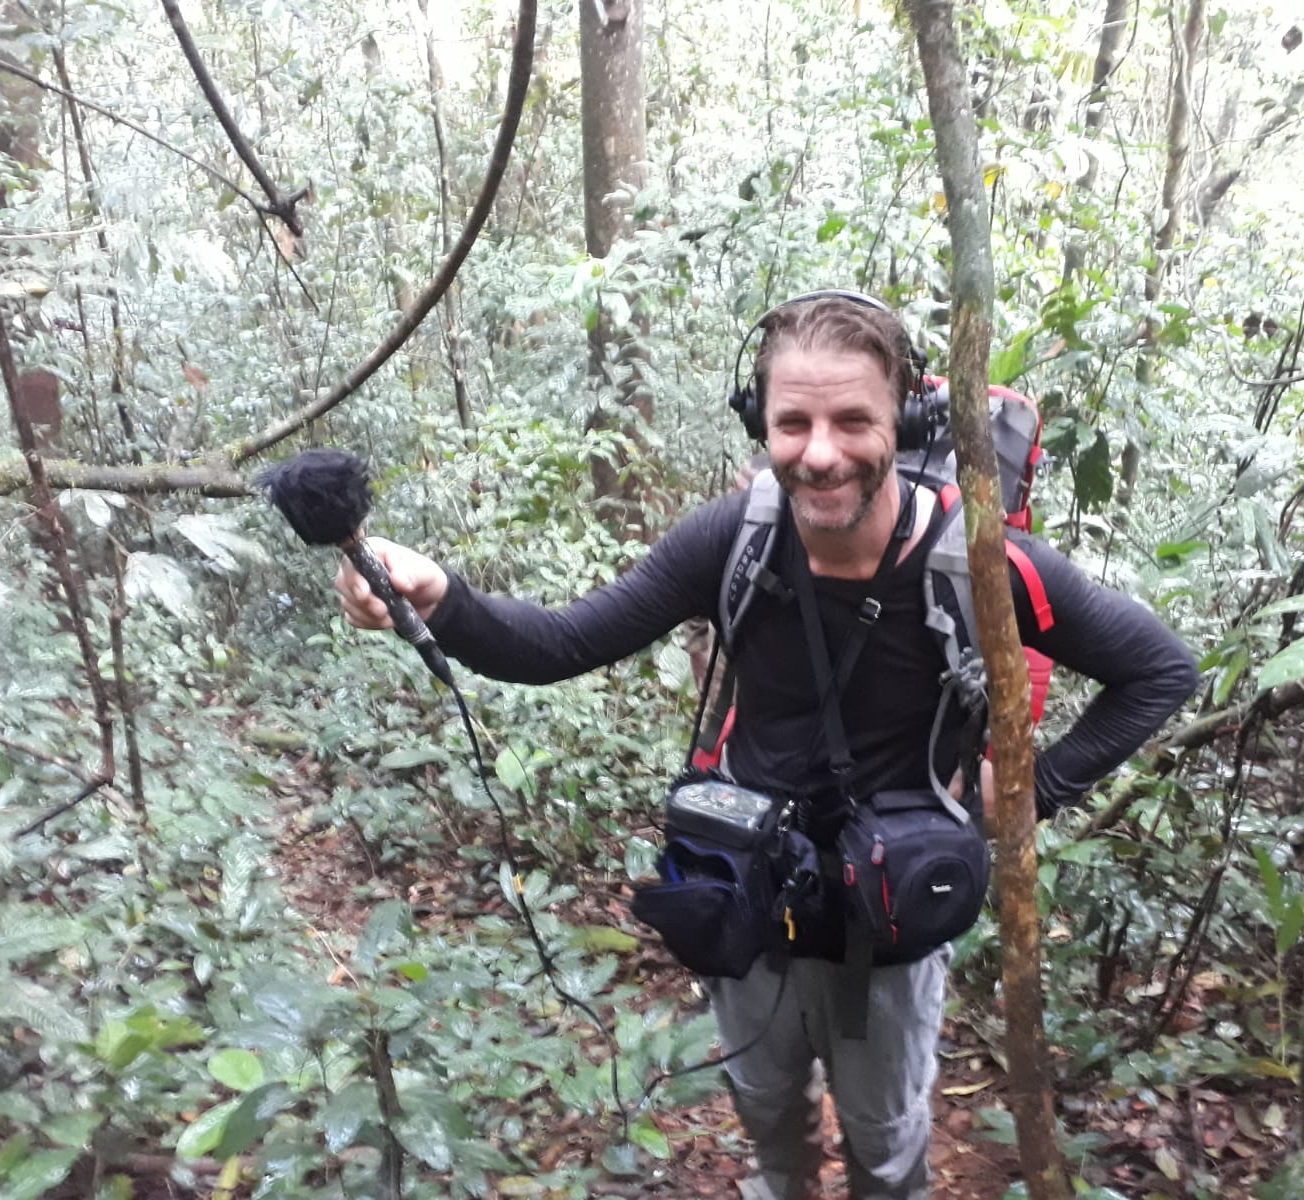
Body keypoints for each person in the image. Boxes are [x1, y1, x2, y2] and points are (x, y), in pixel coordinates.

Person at [336, 294, 1198, 1200]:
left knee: (886, 1141)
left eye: (853, 420)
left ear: (900, 418)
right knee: (766, 1110)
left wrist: (1027, 794)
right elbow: (559, 645)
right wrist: (441, 599)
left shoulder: (977, 557)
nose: (820, 451)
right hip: (747, 893)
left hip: (891, 918)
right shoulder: (736, 536)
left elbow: (1157, 672)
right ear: (762, 422)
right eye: (793, 421)